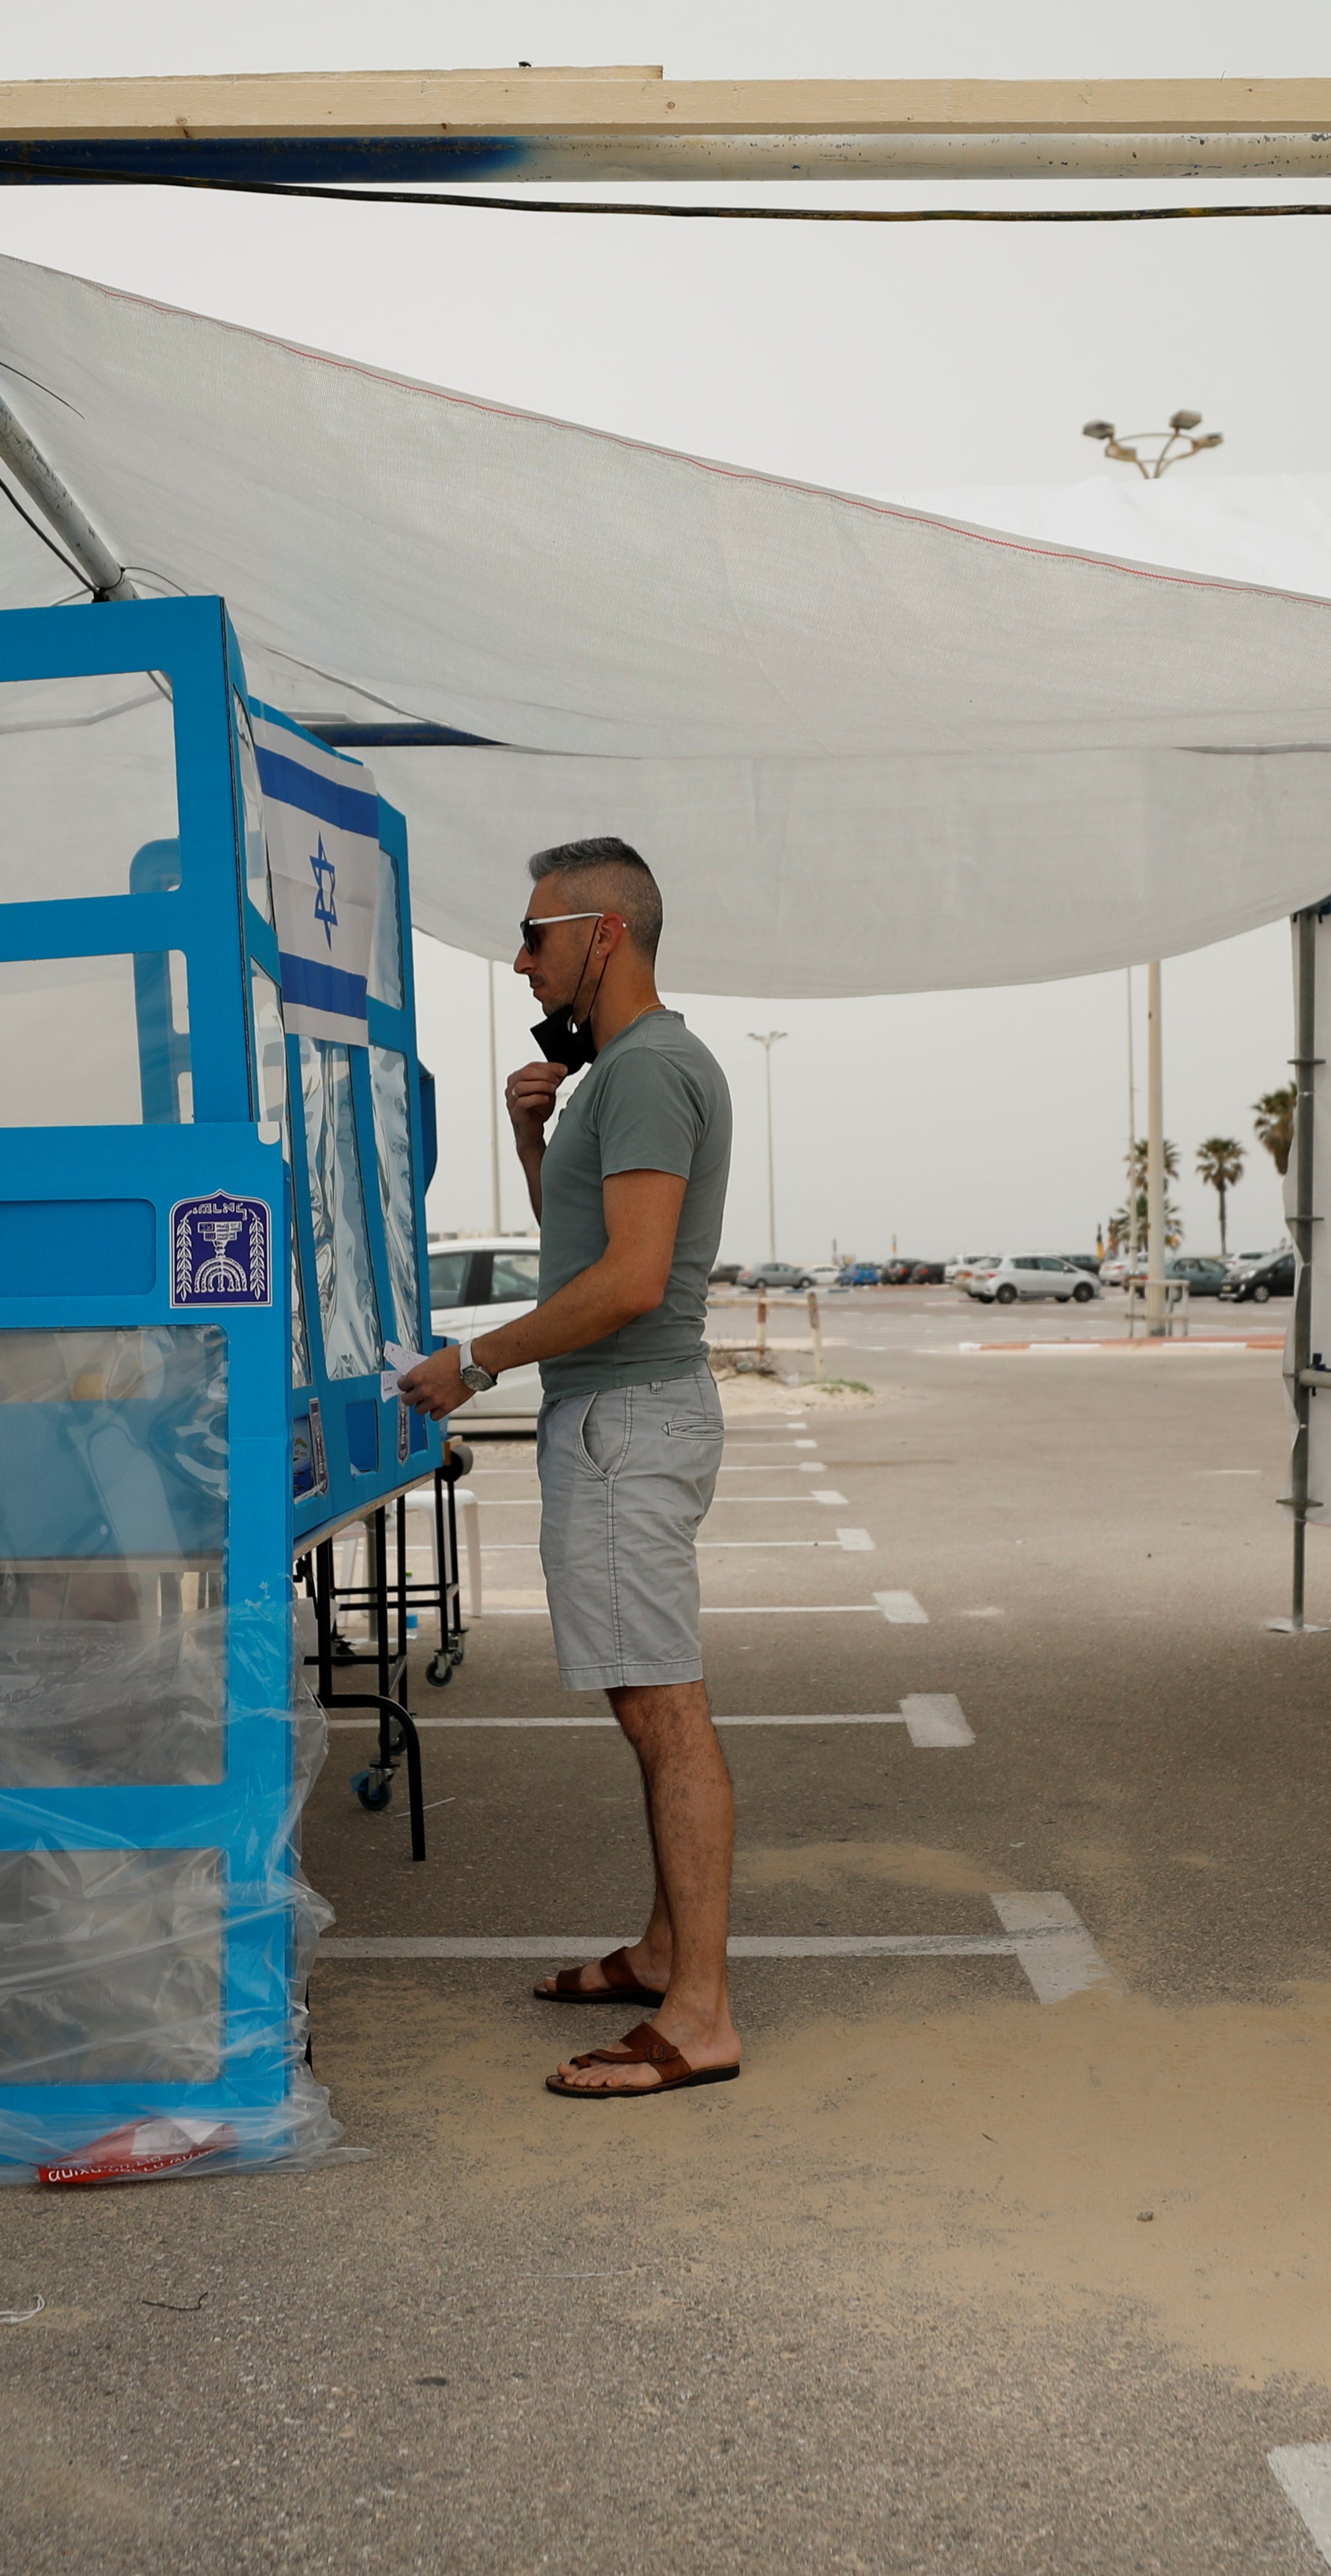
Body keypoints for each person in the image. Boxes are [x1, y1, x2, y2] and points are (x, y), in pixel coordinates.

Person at [396, 837, 742, 2099]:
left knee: (664, 1711)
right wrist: (535, 1141)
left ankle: (699, 2013)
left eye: (535, 933)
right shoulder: (622, 1078)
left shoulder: (649, 1070)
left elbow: (634, 1285)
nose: (520, 953)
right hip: (626, 1414)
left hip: (625, 1425)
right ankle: (664, 1953)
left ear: (602, 935)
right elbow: (586, 1259)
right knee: (646, 1706)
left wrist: (472, 1362)